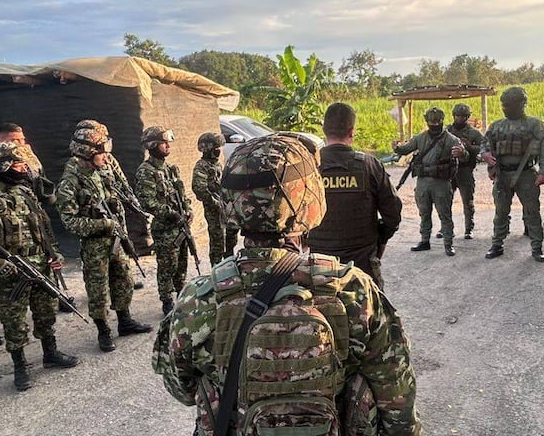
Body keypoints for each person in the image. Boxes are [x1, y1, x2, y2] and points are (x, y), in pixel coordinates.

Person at [152, 133, 421, 435]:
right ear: (310, 198)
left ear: (231, 203)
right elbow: (396, 398)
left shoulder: (201, 297)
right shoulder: (352, 290)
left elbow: (182, 388)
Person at [0, 141, 80, 391]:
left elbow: (43, 227)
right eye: (18, 164)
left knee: (45, 312)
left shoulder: (26, 192)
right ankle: (20, 365)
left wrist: (54, 253)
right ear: (2, 166)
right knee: (14, 320)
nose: (24, 168)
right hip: (9, 271)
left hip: (39, 265)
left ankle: (50, 352)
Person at [54, 121, 153, 353]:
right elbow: (70, 222)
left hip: (117, 236)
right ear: (87, 154)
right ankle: (103, 331)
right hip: (95, 244)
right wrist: (104, 224)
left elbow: (120, 192)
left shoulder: (103, 168)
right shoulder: (70, 182)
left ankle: (125, 321)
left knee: (124, 279)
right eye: (101, 152)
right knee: (98, 289)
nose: (107, 157)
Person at [306, 102, 403, 287]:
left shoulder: (308, 166)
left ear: (324, 129)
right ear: (351, 132)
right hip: (362, 267)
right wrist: (380, 242)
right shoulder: (370, 165)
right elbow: (393, 214)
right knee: (371, 305)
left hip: (318, 269)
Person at [481, 87, 544, 262]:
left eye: (510, 105)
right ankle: (497, 244)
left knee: (532, 212)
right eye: (504, 105)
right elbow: (485, 144)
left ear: (521, 104)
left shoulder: (534, 125)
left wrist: (543, 171)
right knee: (500, 212)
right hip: (502, 175)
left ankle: (537, 247)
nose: (506, 108)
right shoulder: (497, 126)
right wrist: (485, 155)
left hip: (526, 174)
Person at [392, 107, 465, 257]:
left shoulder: (451, 139)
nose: (435, 124)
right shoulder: (420, 138)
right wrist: (397, 148)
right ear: (427, 121)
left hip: (441, 183)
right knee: (424, 213)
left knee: (445, 214)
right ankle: (425, 240)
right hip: (423, 182)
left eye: (437, 121)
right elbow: (405, 149)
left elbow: (465, 154)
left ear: (442, 121)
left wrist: (462, 152)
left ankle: (448, 243)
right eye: (432, 122)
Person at [136, 126, 193, 314]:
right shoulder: (146, 171)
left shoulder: (170, 169)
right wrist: (170, 214)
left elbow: (182, 195)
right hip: (165, 228)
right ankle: (167, 301)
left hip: (180, 227)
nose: (168, 146)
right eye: (163, 143)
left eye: (168, 142)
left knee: (181, 265)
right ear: (153, 145)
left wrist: (188, 210)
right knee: (167, 267)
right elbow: (147, 201)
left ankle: (181, 297)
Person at [193, 132, 237, 264]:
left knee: (231, 239)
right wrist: (215, 203)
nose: (218, 151)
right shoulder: (202, 165)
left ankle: (229, 265)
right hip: (214, 210)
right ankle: (216, 268)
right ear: (207, 149)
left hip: (225, 208)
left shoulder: (217, 164)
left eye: (219, 148)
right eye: (216, 148)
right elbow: (199, 189)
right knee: (218, 242)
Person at [446, 103, 484, 240]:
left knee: (468, 201)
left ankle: (468, 228)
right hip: (449, 170)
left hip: (465, 170)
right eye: (458, 115)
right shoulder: (446, 132)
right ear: (453, 115)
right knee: (445, 201)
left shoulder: (474, 133)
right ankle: (445, 228)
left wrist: (470, 147)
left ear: (467, 117)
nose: (460, 118)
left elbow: (485, 148)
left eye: (463, 116)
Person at [0, 122, 45, 190]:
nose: (21, 143)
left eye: (22, 139)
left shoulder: (32, 160)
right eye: (14, 140)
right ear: (1, 143)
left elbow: (43, 182)